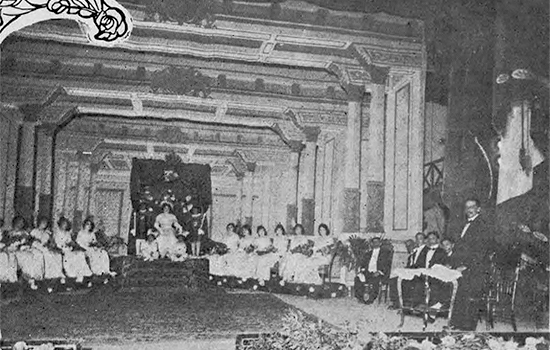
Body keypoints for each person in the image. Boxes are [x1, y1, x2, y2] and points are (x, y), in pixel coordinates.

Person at [449, 198, 494, 331]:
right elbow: (459, 248)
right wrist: (452, 263)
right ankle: (457, 326)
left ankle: (467, 329)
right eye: (467, 207)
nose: (469, 210)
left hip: (476, 268)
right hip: (465, 267)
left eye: (472, 207)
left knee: (468, 297)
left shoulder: (482, 225)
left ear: (478, 209)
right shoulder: (465, 224)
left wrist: (466, 266)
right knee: (459, 294)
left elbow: (481, 250)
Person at [6, 216, 45, 290]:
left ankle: (33, 277)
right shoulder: (10, 233)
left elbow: (29, 241)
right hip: (15, 250)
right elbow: (8, 243)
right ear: (15, 223)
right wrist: (17, 242)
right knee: (27, 256)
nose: (21, 224)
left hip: (25, 248)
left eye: (22, 222)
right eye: (20, 222)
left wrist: (28, 242)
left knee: (37, 255)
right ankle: (28, 278)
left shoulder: (25, 232)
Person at [53, 217, 93, 285]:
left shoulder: (67, 233)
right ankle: (71, 274)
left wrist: (71, 244)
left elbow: (70, 241)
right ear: (60, 224)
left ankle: (80, 274)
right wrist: (63, 246)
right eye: (63, 224)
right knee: (69, 256)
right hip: (61, 249)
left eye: (66, 224)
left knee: (79, 254)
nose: (64, 225)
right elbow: (56, 243)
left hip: (69, 248)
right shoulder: (57, 233)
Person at [30, 216, 66, 291]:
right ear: (39, 223)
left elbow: (51, 242)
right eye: (43, 222)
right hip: (36, 247)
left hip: (45, 247)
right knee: (48, 255)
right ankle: (50, 276)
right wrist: (38, 241)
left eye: (46, 223)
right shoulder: (34, 231)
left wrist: (51, 244)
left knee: (57, 255)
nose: (44, 224)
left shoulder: (47, 233)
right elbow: (31, 240)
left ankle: (58, 274)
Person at [354, 237, 392, 304]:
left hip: (378, 273)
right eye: (373, 242)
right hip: (368, 272)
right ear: (371, 244)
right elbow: (363, 264)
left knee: (375, 279)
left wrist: (379, 271)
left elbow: (387, 265)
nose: (375, 244)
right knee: (357, 278)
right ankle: (360, 298)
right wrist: (361, 271)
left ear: (380, 243)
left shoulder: (385, 253)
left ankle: (370, 299)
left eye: (377, 242)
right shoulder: (368, 253)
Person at [0, 218, 18, 283]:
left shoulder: (3, 233)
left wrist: (5, 246)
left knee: (12, 256)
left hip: (3, 248)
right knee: (3, 256)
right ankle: (2, 277)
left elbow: (5, 242)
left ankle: (11, 278)